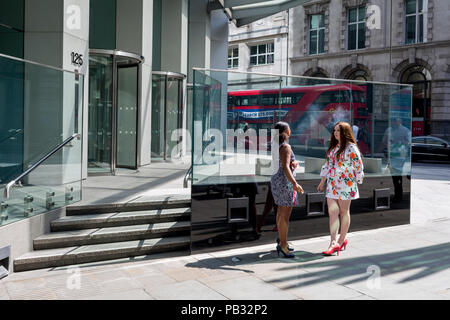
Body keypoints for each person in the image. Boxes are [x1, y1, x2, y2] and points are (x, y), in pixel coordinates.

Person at [318, 122, 364, 256]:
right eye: (334, 130)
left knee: (344, 212)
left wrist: (356, 182)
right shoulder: (334, 147)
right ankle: (333, 242)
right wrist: (322, 181)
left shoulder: (351, 147)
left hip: (346, 184)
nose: (335, 133)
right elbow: (328, 164)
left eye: (338, 130)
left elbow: (358, 166)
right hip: (332, 184)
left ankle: (341, 240)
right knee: (333, 212)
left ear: (345, 132)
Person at [271, 122, 304, 258]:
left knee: (280, 213)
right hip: (285, 183)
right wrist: (295, 184)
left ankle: (282, 240)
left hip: (276, 181)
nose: (291, 130)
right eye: (289, 128)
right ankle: (284, 246)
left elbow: (281, 164)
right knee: (285, 216)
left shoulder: (275, 145)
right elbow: (285, 167)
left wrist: (293, 164)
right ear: (285, 131)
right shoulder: (286, 146)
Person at [379, 117, 411, 202]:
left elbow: (409, 143)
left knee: (397, 176)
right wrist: (381, 151)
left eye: (395, 121)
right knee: (395, 177)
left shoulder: (405, 131)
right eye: (392, 121)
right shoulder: (389, 130)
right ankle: (398, 194)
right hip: (392, 157)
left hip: (400, 157)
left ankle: (399, 195)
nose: (393, 123)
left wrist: (402, 144)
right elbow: (384, 142)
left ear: (400, 121)